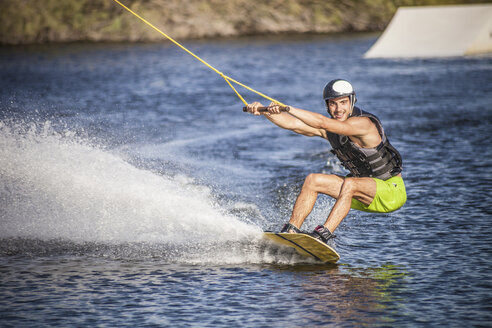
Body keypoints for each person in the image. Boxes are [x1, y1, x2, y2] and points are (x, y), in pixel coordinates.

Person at [245, 79, 406, 244]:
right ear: (327, 105)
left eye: (343, 103)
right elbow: (293, 124)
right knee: (313, 180)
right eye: (333, 104)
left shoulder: (364, 124)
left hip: (390, 191)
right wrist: (265, 111)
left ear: (352, 101)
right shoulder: (331, 129)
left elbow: (322, 122)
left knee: (350, 183)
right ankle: (291, 231)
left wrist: (288, 108)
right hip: (364, 191)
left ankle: (322, 236)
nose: (338, 109)